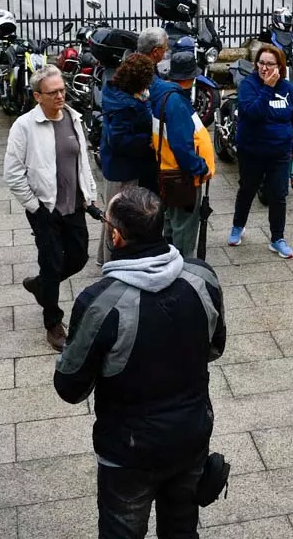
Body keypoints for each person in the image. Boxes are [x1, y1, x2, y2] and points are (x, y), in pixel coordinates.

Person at [55, 186, 225, 539]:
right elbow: (215, 347)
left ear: (116, 237)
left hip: (129, 452)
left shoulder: (100, 302)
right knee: (181, 530)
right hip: (191, 437)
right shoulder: (202, 277)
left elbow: (70, 386)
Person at [3, 65, 98, 350]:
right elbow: (13, 172)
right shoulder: (24, 126)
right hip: (45, 209)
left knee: (79, 257)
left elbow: (83, 162)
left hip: (75, 205)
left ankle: (42, 285)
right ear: (37, 96)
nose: (60, 96)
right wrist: (35, 207)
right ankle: (53, 323)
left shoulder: (73, 118)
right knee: (52, 261)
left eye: (62, 90)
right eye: (53, 92)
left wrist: (89, 196)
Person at [229, 44, 293, 259]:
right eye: (261, 63)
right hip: (251, 150)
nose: (264, 68)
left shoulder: (288, 89)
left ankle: (277, 238)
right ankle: (238, 226)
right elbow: (252, 113)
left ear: (280, 66)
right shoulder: (248, 86)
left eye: (270, 64)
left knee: (278, 195)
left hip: (279, 153)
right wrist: (267, 88)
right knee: (247, 189)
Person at [150, 51, 215, 258]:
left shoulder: (164, 94)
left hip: (169, 172)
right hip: (184, 178)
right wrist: (200, 167)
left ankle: (168, 261)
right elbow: (182, 146)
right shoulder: (176, 103)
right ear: (192, 77)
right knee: (184, 232)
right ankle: (182, 271)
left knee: (171, 224)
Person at [97, 52, 157, 265]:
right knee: (118, 217)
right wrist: (147, 141)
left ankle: (102, 258)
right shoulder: (125, 105)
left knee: (112, 212)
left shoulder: (116, 93)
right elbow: (120, 140)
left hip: (116, 166)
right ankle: (111, 261)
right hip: (124, 169)